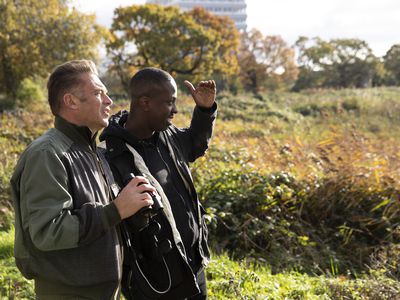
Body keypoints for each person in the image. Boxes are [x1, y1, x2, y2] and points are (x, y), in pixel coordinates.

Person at [10, 60, 157, 299]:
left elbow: (102, 222)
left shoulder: (94, 152)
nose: (109, 101)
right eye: (99, 93)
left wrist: (132, 213)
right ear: (71, 101)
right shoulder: (47, 154)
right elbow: (48, 231)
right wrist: (116, 210)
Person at [100, 67, 217, 299]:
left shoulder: (168, 135)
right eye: (169, 103)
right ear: (145, 102)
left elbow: (195, 144)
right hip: (155, 280)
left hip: (193, 266)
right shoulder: (111, 155)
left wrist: (204, 111)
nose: (174, 110)